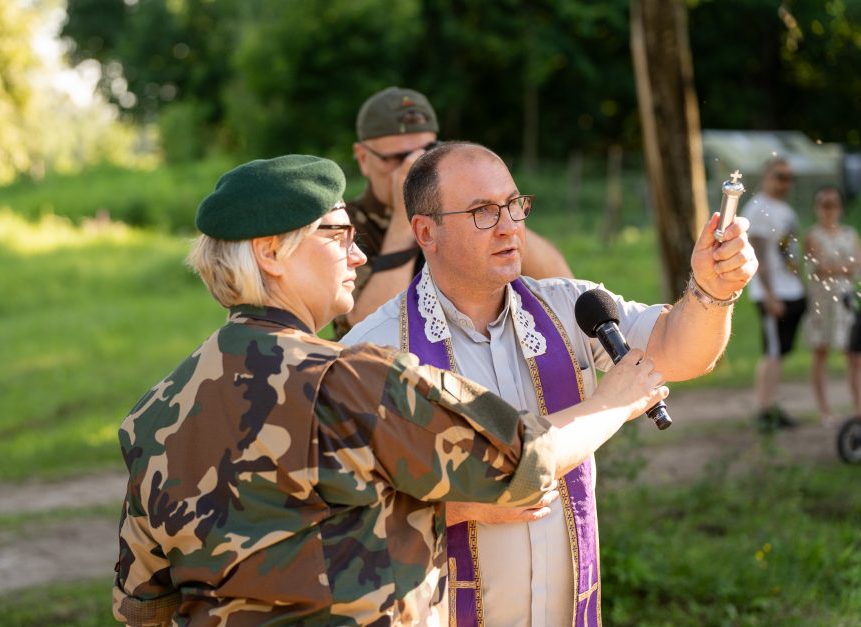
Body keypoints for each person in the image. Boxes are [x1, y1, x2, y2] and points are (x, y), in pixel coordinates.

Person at [111, 154, 670, 626]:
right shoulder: (351, 379)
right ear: (270, 252)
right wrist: (616, 399)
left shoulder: (156, 410)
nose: (357, 255)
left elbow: (143, 602)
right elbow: (524, 462)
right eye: (339, 234)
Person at [342, 141, 757, 627]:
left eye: (514, 205)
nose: (509, 227)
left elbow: (677, 350)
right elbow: (348, 516)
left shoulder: (571, 309)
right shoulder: (375, 350)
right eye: (482, 211)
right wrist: (456, 506)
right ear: (425, 232)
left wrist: (712, 290)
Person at [334, 86, 573, 336]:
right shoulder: (341, 224)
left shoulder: (457, 209)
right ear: (363, 158)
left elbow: (561, 283)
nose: (413, 165)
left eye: (426, 152)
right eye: (397, 158)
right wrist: (405, 220)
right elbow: (366, 329)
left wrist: (496, 208)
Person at [740, 157, 807, 431]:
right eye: (779, 176)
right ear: (767, 175)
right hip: (774, 292)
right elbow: (757, 254)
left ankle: (771, 404)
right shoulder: (758, 208)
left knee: (780, 352)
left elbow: (791, 254)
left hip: (791, 288)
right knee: (773, 351)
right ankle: (765, 409)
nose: (784, 182)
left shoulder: (786, 210)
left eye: (789, 177)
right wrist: (769, 294)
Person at [803, 185, 861, 422]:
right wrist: (842, 268)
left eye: (833, 204)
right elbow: (822, 266)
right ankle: (824, 409)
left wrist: (836, 268)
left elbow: (855, 266)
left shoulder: (850, 234)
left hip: (845, 300)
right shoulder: (813, 235)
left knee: (854, 354)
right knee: (821, 351)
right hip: (822, 301)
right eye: (824, 205)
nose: (828, 210)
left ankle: (858, 409)